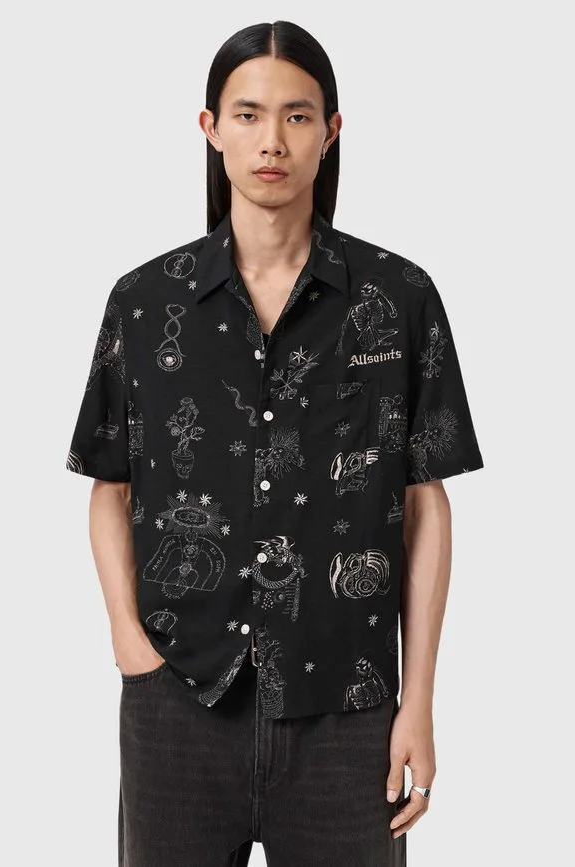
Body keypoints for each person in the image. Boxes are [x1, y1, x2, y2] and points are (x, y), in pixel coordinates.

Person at [65, 20, 484, 867]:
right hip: (179, 699)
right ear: (211, 128)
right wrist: (130, 646)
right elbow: (111, 483)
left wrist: (418, 701)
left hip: (349, 711)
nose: (272, 142)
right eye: (248, 114)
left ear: (331, 131)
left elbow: (424, 502)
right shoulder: (145, 303)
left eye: (297, 116)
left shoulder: (399, 298)